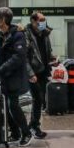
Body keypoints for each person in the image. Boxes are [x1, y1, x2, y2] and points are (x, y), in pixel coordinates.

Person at [0, 7, 33, 147]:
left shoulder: (18, 35)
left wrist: (1, 69)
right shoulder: (1, 35)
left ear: (3, 20)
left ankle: (26, 133)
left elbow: (18, 57)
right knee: (5, 106)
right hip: (3, 77)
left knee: (12, 106)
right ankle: (15, 133)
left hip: (14, 77)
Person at [24, 11, 52, 139]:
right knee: (37, 98)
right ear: (33, 21)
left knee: (40, 100)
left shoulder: (44, 34)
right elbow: (24, 57)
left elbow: (46, 52)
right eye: (41, 20)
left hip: (43, 71)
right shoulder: (26, 34)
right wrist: (30, 73)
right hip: (33, 73)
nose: (43, 22)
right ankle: (34, 126)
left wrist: (52, 60)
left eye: (44, 20)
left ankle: (33, 125)